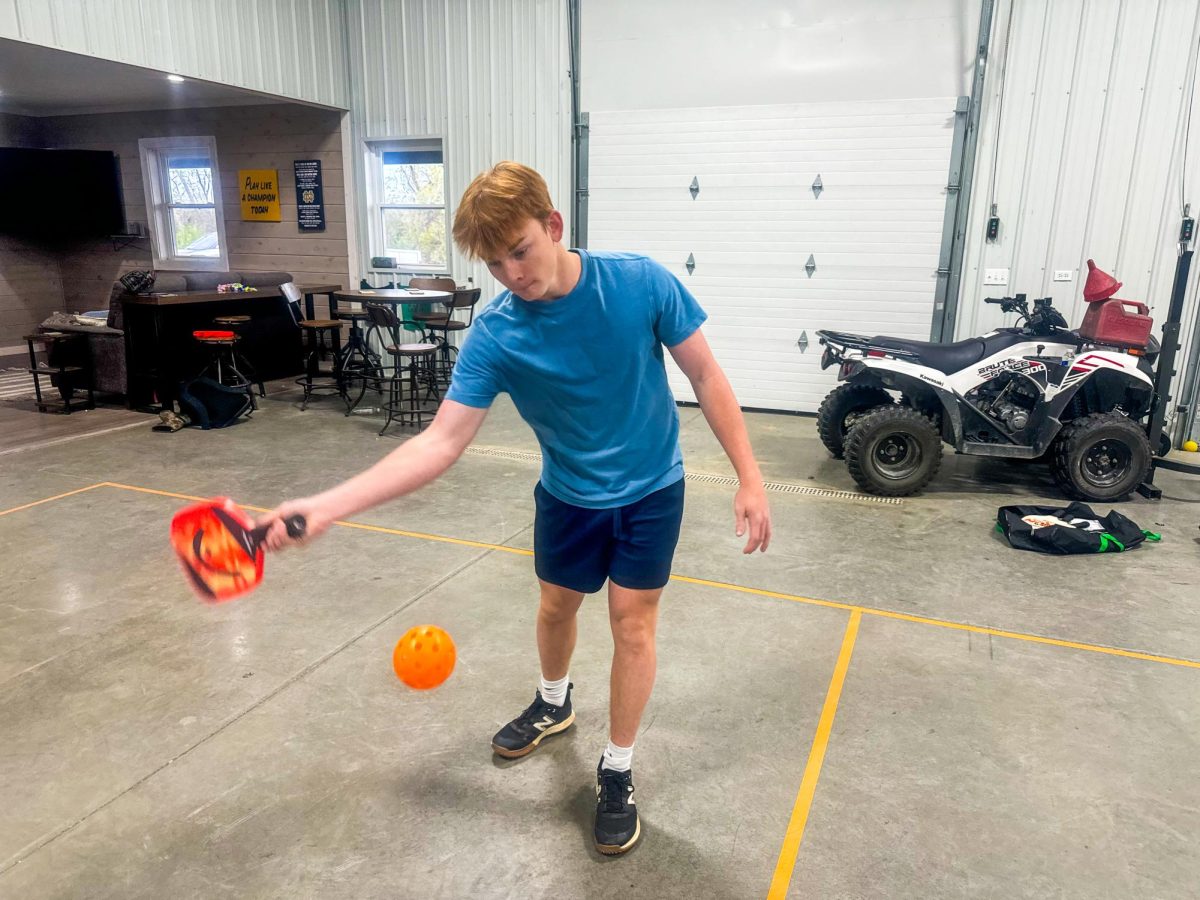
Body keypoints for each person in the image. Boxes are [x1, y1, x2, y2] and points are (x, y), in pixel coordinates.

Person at [260, 161, 772, 855]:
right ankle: (554, 701)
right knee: (557, 607)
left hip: (652, 488)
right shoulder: (498, 334)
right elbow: (440, 442)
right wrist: (327, 505)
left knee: (633, 626)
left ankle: (617, 769)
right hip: (567, 496)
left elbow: (705, 374)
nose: (511, 274)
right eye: (494, 262)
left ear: (553, 226)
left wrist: (750, 476)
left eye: (520, 250)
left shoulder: (639, 282)